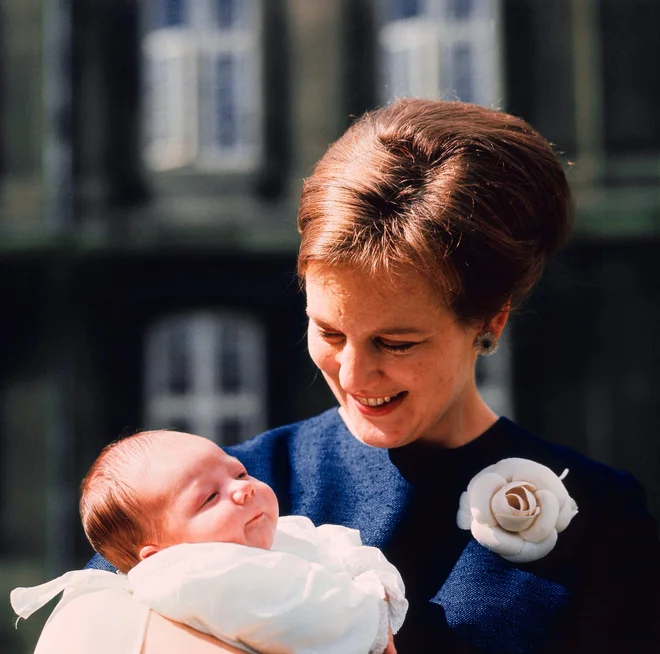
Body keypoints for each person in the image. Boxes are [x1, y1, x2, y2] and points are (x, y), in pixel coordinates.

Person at [51, 98, 660, 652]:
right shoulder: (210, 495)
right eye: (330, 332)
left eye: (396, 342)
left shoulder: (602, 520)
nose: (353, 372)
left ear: (490, 321)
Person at [12, 430, 406, 654]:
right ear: (160, 555)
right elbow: (299, 613)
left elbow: (340, 544)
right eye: (209, 497)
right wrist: (370, 608)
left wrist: (370, 578)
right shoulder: (191, 577)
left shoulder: (283, 532)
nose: (242, 490)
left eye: (239, 473)